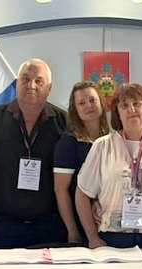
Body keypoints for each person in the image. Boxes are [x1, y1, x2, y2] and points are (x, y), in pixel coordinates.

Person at [75, 83, 142, 250]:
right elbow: (82, 193)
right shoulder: (103, 146)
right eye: (124, 106)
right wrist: (92, 237)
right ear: (117, 113)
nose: (131, 109)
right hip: (113, 237)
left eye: (137, 104)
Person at [0, 58, 67, 248]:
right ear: (17, 83)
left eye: (39, 81)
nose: (31, 85)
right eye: (25, 79)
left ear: (49, 88)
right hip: (2, 226)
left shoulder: (64, 122)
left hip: (49, 227)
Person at [53, 81, 110, 244]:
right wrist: (72, 231)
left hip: (107, 223)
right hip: (80, 224)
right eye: (82, 103)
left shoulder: (111, 139)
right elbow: (61, 190)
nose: (88, 106)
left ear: (101, 102)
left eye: (92, 100)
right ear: (75, 109)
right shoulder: (68, 143)